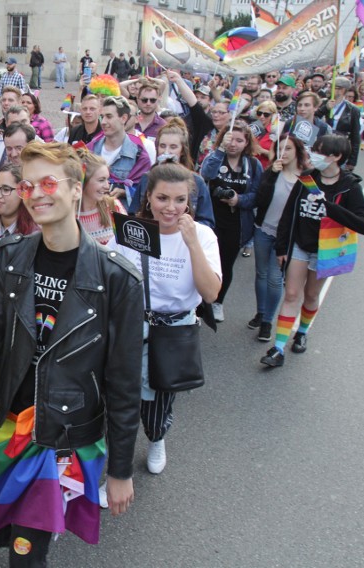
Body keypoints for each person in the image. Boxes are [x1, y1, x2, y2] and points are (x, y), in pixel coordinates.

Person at [0, 141, 142, 566]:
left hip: (63, 438)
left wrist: (122, 469)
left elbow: (125, 385)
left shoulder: (117, 280)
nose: (36, 194)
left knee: (27, 552)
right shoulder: (7, 260)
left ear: (77, 190)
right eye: (27, 185)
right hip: (7, 430)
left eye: (48, 182)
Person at [116, 163, 221, 475]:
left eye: (179, 200)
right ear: (148, 197)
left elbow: (211, 292)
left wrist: (190, 243)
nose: (171, 208)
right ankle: (117, 464)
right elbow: (111, 275)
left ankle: (156, 436)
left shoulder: (202, 236)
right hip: (131, 327)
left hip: (172, 332)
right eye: (162, 198)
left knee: (157, 403)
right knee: (120, 402)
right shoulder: (132, 230)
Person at [261, 135, 364, 367]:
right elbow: (288, 213)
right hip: (300, 245)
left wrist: (330, 208)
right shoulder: (308, 178)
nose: (315, 155)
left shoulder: (350, 186)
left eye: (321, 151)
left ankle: (301, 331)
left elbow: (363, 224)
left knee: (310, 295)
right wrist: (282, 247)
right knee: (291, 294)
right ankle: (278, 348)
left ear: (336, 157)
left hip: (326, 251)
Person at [248, 134, 308, 342]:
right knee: (261, 274)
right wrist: (271, 176)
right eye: (280, 149)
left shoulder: (306, 177)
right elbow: (260, 200)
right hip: (263, 230)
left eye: (288, 148)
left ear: (297, 151)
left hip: (286, 238)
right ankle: (260, 312)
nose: (284, 153)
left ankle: (268, 321)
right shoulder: (271, 173)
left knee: (275, 279)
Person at [200, 124, 263, 322]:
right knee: (204, 263)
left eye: (239, 140)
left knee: (225, 265)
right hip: (211, 221)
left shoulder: (253, 165)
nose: (233, 144)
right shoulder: (215, 158)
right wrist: (219, 150)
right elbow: (206, 175)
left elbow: (257, 196)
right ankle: (199, 305)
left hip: (237, 223)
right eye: (230, 139)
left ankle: (218, 301)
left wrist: (239, 200)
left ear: (246, 143)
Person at [130, 119, 216, 228]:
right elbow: (133, 214)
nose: (167, 152)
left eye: (173, 147)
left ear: (182, 151)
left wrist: (187, 227)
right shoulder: (147, 178)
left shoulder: (196, 181)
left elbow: (207, 222)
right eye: (162, 146)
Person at [92, 96, 152, 187]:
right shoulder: (90, 150)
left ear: (123, 118)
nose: (103, 122)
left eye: (109, 116)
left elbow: (144, 191)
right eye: (101, 117)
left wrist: (125, 192)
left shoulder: (138, 155)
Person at [77, 150, 127, 245]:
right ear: (83, 181)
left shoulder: (113, 206)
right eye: (101, 180)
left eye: (107, 179)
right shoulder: (67, 212)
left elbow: (127, 246)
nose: (107, 186)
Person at [323, 77, 361, 171]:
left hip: (339, 149)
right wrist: (325, 108)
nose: (329, 89)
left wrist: (352, 160)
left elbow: (355, 136)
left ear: (342, 90)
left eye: (332, 87)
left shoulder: (352, 109)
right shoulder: (323, 103)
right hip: (322, 147)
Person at [0, 85, 21, 151]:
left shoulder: (26, 127)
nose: (6, 103)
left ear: (19, 103)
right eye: (3, 100)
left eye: (10, 100)